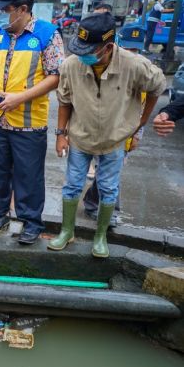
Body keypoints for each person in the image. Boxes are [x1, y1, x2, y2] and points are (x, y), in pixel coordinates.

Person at [50, 13, 166, 258]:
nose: (83, 56)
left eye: (89, 50)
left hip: (115, 138)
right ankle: (66, 230)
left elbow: (157, 86)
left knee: (108, 188)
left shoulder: (134, 65)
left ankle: (100, 236)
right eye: (80, 50)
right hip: (81, 137)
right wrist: (61, 134)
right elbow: (64, 100)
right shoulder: (71, 65)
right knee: (72, 185)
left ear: (109, 47)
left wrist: (140, 123)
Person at [0, 0, 65, 245]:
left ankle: (31, 222)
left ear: (23, 9)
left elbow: (56, 75)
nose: (0, 16)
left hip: (28, 121)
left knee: (28, 175)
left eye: (5, 10)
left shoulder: (47, 34)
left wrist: (20, 98)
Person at [82, 24, 147, 226]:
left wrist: (137, 134)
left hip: (123, 133)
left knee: (110, 173)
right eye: (128, 49)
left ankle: (104, 208)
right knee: (107, 172)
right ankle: (97, 204)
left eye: (135, 50)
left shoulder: (142, 69)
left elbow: (142, 106)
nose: (131, 53)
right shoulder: (104, 65)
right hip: (97, 130)